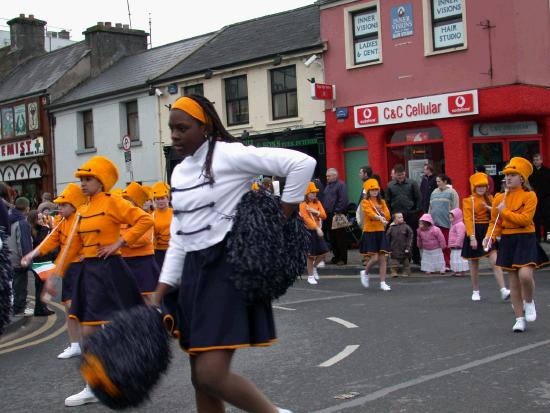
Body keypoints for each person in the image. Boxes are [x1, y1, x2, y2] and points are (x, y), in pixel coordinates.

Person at [153, 95, 314, 413]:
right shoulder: (179, 172)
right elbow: (179, 237)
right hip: (193, 275)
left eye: (182, 128)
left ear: (205, 126)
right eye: (171, 129)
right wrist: (161, 289)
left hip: (227, 269)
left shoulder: (229, 155)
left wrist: (283, 214)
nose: (175, 135)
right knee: (200, 380)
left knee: (211, 374)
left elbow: (301, 163)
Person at [42, 156, 153, 406]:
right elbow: (72, 247)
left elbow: (145, 220)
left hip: (111, 270)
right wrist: (54, 274)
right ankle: (95, 384)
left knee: (113, 327)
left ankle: (118, 377)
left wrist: (119, 243)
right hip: (90, 272)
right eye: (81, 179)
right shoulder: (83, 210)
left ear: (101, 181)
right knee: (90, 329)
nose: (82, 183)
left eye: (88, 179)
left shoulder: (114, 202)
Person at [22, 183, 88, 359]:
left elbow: (91, 242)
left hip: (81, 269)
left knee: (79, 307)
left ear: (73, 204)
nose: (59, 208)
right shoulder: (62, 223)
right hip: (68, 268)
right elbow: (50, 242)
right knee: (69, 307)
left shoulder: (81, 220)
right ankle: (75, 344)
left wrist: (86, 254)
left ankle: (93, 342)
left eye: (63, 205)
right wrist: (32, 254)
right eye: (59, 205)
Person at [484, 157, 549, 332]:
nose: (508, 178)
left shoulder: (530, 196)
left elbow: (524, 220)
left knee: (525, 275)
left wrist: (504, 211)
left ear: (522, 178)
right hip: (508, 239)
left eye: (513, 175)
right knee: (513, 280)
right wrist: (489, 236)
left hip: (526, 237)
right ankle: (519, 318)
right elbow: (494, 222)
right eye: (507, 175)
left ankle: (529, 301)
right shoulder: (498, 198)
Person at [461, 172, 509, 302]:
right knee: (474, 263)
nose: (482, 188)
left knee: (495, 260)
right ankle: (475, 290)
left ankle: (503, 289)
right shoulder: (468, 200)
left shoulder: (491, 198)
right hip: (475, 231)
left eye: (484, 186)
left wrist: (489, 207)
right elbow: (468, 219)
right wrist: (472, 237)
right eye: (479, 186)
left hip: (488, 230)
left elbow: (496, 215)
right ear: (474, 187)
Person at [121, 182, 161, 303]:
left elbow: (144, 239)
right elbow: (114, 237)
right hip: (125, 261)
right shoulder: (120, 218)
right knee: (127, 298)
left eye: (128, 199)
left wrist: (124, 240)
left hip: (144, 261)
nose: (125, 202)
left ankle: (152, 321)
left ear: (136, 201)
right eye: (124, 199)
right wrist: (128, 239)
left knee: (147, 298)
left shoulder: (145, 217)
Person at [359, 179, 391, 291]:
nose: (374, 191)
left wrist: (382, 213)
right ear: (368, 191)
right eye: (372, 190)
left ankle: (383, 282)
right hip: (370, 231)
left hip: (380, 231)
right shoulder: (365, 202)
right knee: (375, 257)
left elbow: (388, 215)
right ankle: (365, 272)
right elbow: (370, 214)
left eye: (376, 189)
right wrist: (379, 217)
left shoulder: (382, 202)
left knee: (383, 259)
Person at [386, 164, 422, 266]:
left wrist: (416, 211)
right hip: (396, 214)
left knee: (412, 236)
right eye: (398, 175)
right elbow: (387, 201)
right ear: (395, 175)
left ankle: (416, 258)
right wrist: (391, 213)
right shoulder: (390, 185)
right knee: (398, 238)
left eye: (402, 175)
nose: (400, 177)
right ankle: (401, 259)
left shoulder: (412, 183)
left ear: (404, 173)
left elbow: (418, 198)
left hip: (410, 214)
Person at [7, 197, 33, 316]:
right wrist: (27, 261)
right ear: (27, 208)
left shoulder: (7, 218)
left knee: (11, 286)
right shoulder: (22, 222)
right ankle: (19, 310)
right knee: (20, 287)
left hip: (7, 258)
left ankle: (12, 307)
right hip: (18, 260)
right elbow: (24, 243)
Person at [27, 210, 56, 316]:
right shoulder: (33, 230)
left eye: (42, 218)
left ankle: (41, 308)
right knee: (41, 287)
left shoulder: (40, 228)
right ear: (33, 220)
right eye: (38, 219)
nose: (41, 220)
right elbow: (41, 244)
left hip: (44, 261)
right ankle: (40, 309)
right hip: (39, 262)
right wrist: (45, 228)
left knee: (41, 286)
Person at [299, 182, 329, 285]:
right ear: (307, 193)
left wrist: (315, 212)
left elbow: (324, 215)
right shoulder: (303, 205)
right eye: (312, 193)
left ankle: (314, 268)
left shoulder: (318, 203)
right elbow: (306, 219)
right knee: (310, 255)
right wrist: (316, 228)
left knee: (324, 252)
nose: (314, 194)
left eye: (315, 192)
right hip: (309, 231)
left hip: (317, 230)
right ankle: (310, 276)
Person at [429, 174, 459, 269]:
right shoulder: (434, 192)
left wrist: (454, 220)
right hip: (435, 223)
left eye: (439, 181)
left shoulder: (452, 192)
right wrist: (429, 219)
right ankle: (439, 264)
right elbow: (430, 206)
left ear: (445, 181)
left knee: (446, 244)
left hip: (446, 223)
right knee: (436, 245)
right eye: (436, 181)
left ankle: (448, 264)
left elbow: (456, 207)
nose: (437, 183)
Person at [323, 168, 349, 265]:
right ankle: (336, 256)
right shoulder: (328, 186)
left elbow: (343, 199)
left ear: (335, 175)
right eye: (326, 176)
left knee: (340, 237)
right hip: (328, 215)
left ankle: (342, 258)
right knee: (332, 237)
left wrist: (337, 211)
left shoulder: (341, 185)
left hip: (337, 214)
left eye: (328, 176)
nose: (327, 178)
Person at [152, 181, 173, 268]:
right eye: (158, 199)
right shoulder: (152, 216)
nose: (160, 201)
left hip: (174, 249)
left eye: (162, 198)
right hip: (159, 252)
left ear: (168, 199)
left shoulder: (175, 213)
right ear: (154, 200)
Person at [386, 212, 413, 277]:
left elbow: (410, 236)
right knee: (394, 262)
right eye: (399, 217)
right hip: (394, 248)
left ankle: (406, 272)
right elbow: (387, 237)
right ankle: (394, 272)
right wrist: (388, 248)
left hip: (405, 248)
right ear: (394, 219)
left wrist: (408, 247)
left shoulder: (406, 227)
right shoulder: (391, 228)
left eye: (402, 217)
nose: (402, 218)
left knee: (406, 262)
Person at [531, 153, 550, 242]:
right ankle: (537, 237)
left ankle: (548, 237)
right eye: (534, 160)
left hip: (546, 199)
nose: (536, 161)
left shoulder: (547, 171)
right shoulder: (531, 172)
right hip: (535, 199)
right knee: (536, 219)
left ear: (541, 160)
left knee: (548, 219)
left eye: (537, 160)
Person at [448, 208, 469, 277]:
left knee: (459, 258)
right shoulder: (454, 224)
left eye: (451, 217)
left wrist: (457, 243)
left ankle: (461, 271)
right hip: (454, 246)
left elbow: (461, 235)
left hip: (458, 246)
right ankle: (456, 270)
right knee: (455, 258)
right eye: (450, 217)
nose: (450, 219)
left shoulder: (460, 224)